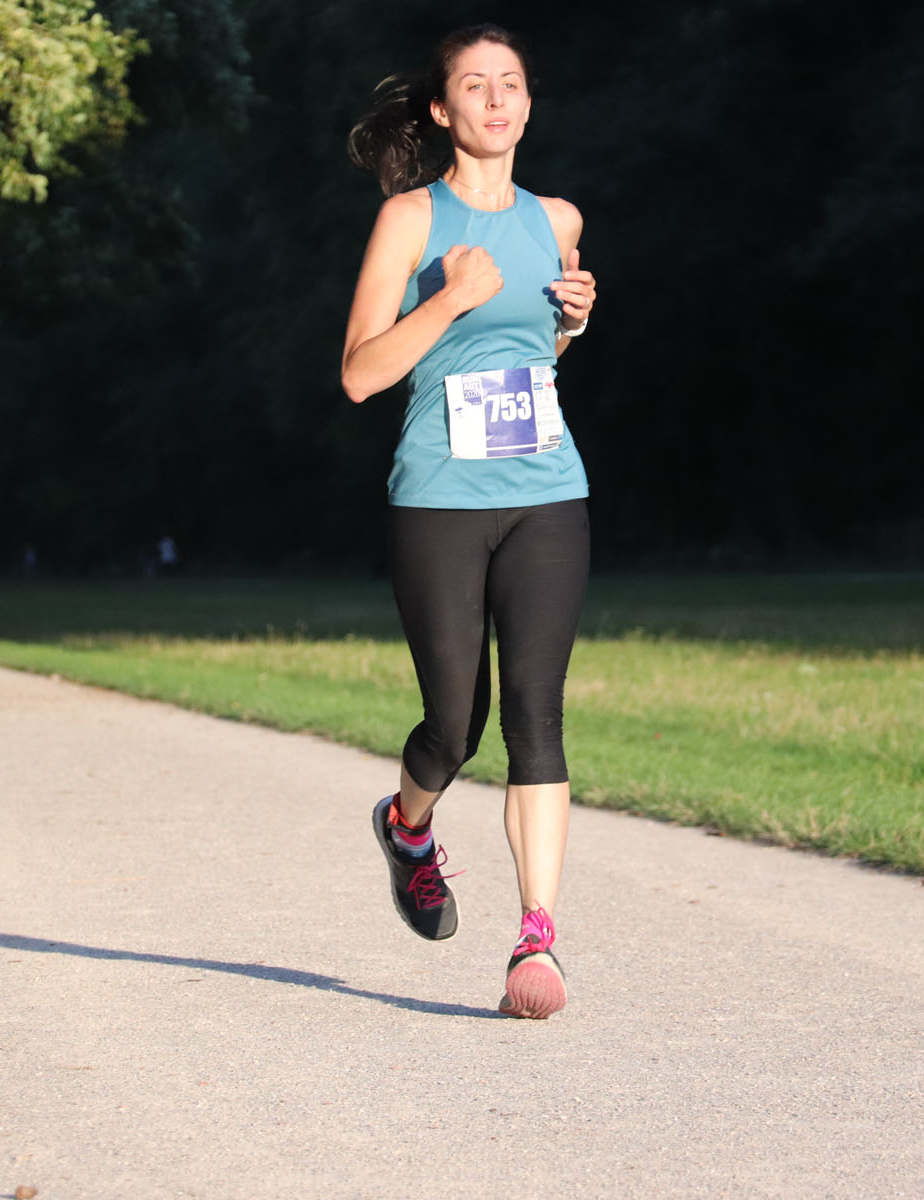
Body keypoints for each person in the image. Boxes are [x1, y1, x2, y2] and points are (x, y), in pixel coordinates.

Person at [341, 25, 598, 1019]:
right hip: (439, 499)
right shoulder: (411, 219)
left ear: (529, 103)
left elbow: (534, 355)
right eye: (475, 86)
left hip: (547, 492)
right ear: (443, 110)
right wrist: (448, 300)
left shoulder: (558, 219)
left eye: (512, 84)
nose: (497, 99)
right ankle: (407, 827)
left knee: (536, 713)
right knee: (455, 727)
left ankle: (538, 938)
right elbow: (361, 374)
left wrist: (572, 322)